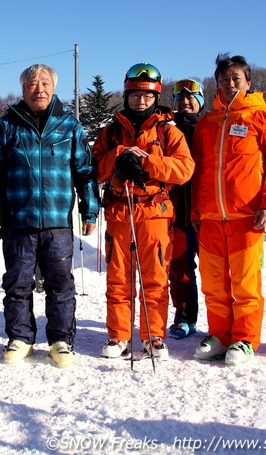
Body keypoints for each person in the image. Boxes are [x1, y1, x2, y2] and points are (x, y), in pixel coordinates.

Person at [0, 64, 99, 368]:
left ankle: (61, 340)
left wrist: (90, 208)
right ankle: (20, 338)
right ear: (23, 89)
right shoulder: (7, 125)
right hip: (19, 220)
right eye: (32, 84)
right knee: (17, 283)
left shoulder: (69, 126)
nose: (39, 89)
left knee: (60, 284)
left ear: (54, 87)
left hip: (57, 221)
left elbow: (85, 172)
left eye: (45, 83)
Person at [191, 54, 266, 366]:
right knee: (214, 283)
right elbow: (198, 171)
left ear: (248, 82)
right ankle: (220, 335)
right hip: (209, 217)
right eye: (224, 79)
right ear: (216, 83)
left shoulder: (262, 116)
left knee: (245, 284)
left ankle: (245, 338)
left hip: (246, 216)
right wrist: (196, 211)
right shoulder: (206, 123)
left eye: (236, 79)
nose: (230, 84)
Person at [93, 63, 194, 360]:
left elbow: (185, 169)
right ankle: (118, 335)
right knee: (119, 279)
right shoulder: (110, 132)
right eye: (136, 95)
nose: (141, 101)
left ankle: (154, 336)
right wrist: (119, 156)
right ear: (127, 96)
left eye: (147, 97)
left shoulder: (168, 132)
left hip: (155, 213)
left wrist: (148, 161)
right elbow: (96, 170)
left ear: (156, 98)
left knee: (155, 278)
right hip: (120, 211)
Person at [168, 79, 205, 339]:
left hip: (208, 214)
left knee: (217, 273)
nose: (185, 102)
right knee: (180, 271)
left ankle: (223, 322)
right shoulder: (167, 130)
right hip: (178, 214)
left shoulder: (211, 128)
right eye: (180, 98)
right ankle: (184, 317)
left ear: (201, 101)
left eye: (191, 97)